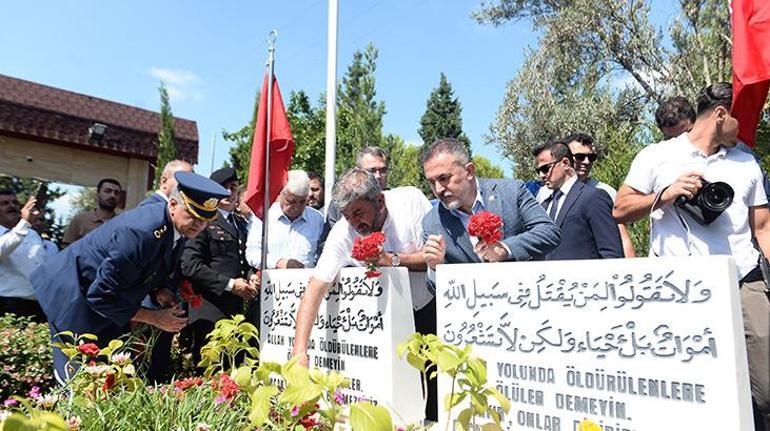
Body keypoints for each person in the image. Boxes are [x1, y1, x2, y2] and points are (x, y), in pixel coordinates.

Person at [613, 82, 770, 430]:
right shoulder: (656, 155)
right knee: (691, 388)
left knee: (766, 387)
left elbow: (763, 228)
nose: (747, 130)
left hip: (743, 281)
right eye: (741, 120)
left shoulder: (747, 163)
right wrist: (665, 195)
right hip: (678, 290)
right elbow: (620, 209)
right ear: (719, 114)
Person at [30, 172, 229, 383]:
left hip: (104, 306)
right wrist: (155, 318)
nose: (199, 225)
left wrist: (160, 290)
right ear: (172, 204)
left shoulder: (176, 228)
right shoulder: (140, 233)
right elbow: (101, 295)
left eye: (205, 219)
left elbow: (150, 266)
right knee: (78, 387)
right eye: (193, 215)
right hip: (73, 298)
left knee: (108, 383)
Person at [292, 168, 432, 365]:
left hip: (427, 311)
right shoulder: (343, 231)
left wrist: (391, 260)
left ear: (380, 201)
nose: (354, 223)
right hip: (385, 324)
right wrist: (300, 351)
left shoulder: (410, 202)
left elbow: (436, 260)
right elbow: (316, 287)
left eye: (358, 213)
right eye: (347, 215)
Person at [421, 138, 561, 287]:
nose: (438, 189)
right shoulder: (432, 223)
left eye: (444, 178)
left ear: (469, 171)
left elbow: (549, 232)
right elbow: (436, 291)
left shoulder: (512, 192)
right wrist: (435, 268)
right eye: (431, 182)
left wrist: (505, 249)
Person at [180, 167, 258, 366]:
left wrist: (252, 276)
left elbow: (243, 260)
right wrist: (230, 284)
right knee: (211, 371)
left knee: (235, 368)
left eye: (233, 188)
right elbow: (190, 264)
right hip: (210, 308)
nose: (230, 193)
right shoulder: (203, 219)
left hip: (236, 310)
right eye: (224, 188)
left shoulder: (241, 224)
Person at [534, 140, 623, 260]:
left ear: (565, 163)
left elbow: (611, 252)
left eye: (545, 169)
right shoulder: (544, 203)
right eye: (538, 171)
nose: (541, 175)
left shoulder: (593, 197)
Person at [561, 132, 636, 257]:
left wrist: (631, 271)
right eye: (580, 157)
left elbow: (623, 237)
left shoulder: (604, 192)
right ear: (565, 159)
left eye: (591, 157)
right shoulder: (549, 193)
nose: (586, 161)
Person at [245, 170, 324, 269]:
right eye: (291, 201)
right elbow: (252, 253)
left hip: (306, 281)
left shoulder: (317, 219)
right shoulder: (263, 216)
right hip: (271, 280)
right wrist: (279, 263)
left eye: (302, 201)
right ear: (281, 194)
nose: (297, 206)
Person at [0, 190, 46, 322]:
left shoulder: (32, 234)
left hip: (38, 305)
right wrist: (24, 223)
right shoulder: (23, 228)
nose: (12, 206)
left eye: (15, 202)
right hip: (7, 305)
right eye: (5, 203)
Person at [323, 146, 390, 236]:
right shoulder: (338, 205)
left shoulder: (397, 202)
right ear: (358, 171)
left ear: (380, 201)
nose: (378, 176)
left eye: (383, 170)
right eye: (372, 170)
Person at [62, 178, 122, 246]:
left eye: (116, 193)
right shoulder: (80, 219)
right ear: (98, 194)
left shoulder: (122, 223)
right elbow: (67, 250)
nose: (113, 195)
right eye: (108, 191)